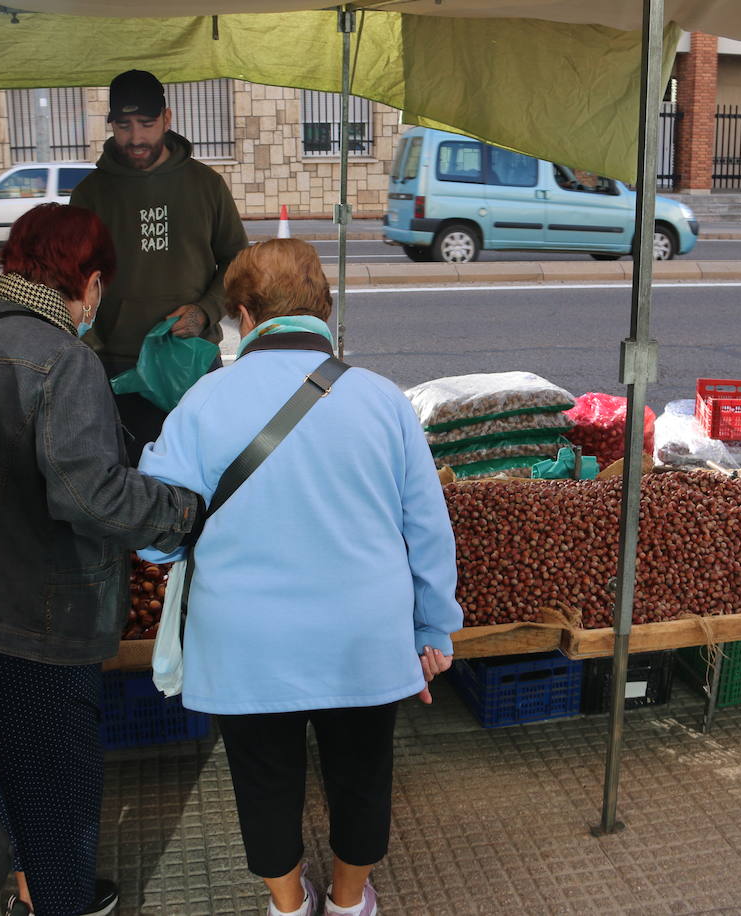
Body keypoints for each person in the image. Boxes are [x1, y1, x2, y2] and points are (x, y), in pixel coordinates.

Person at [137, 238, 462, 916]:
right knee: (362, 776)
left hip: (244, 642)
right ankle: (349, 904)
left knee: (263, 780)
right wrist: (433, 626)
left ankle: (289, 907)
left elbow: (155, 531)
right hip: (364, 638)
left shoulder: (203, 401)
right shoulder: (382, 400)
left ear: (243, 314)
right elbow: (428, 530)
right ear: (322, 308)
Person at [0, 203, 206, 916]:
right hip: (38, 628)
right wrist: (181, 511)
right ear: (93, 283)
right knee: (56, 799)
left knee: (12, 786)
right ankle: (60, 901)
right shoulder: (63, 358)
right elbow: (90, 491)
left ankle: (29, 891)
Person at [70, 68, 249, 458]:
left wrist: (205, 311)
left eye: (147, 124)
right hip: (118, 366)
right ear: (111, 124)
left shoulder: (206, 185)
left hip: (193, 358)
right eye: (123, 125)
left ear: (167, 119)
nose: (135, 138)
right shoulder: (90, 194)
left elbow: (237, 259)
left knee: (204, 473)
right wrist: (92, 346)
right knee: (124, 478)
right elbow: (73, 277)